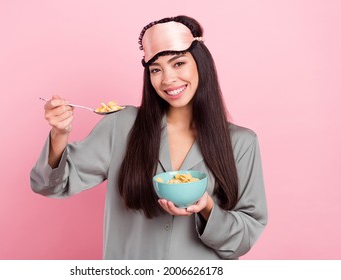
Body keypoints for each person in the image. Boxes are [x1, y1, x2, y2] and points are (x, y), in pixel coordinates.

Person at [30, 15, 268, 259]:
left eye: (178, 64)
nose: (167, 79)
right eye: (156, 69)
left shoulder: (241, 143)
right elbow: (50, 185)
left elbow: (245, 237)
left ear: (200, 63)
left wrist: (207, 208)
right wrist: (60, 133)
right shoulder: (121, 125)